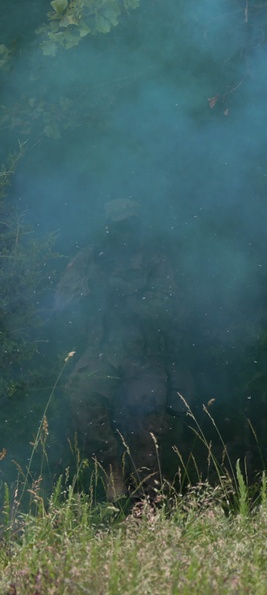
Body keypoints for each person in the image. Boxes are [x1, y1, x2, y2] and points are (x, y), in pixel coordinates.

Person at [54, 199, 182, 500]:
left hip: (145, 354)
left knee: (146, 419)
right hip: (102, 350)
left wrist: (126, 295)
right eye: (117, 227)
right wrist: (89, 288)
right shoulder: (90, 259)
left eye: (130, 226)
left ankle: (148, 501)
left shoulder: (154, 261)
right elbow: (61, 300)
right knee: (79, 393)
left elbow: (170, 308)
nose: (124, 234)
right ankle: (112, 468)